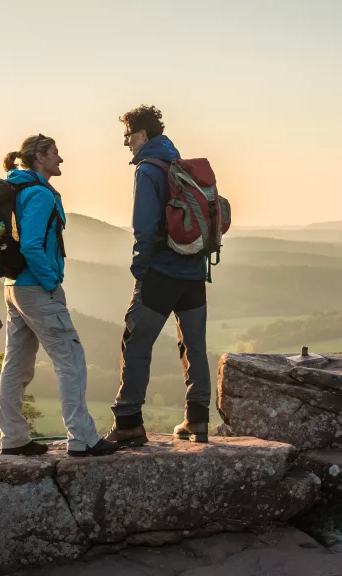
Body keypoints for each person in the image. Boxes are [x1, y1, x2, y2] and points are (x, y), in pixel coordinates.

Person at [0, 134, 119, 457]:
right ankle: (82, 438)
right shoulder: (39, 194)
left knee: (17, 363)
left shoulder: (15, 188)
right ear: (39, 157)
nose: (60, 159)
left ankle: (13, 438)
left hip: (13, 285)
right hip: (37, 287)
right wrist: (51, 282)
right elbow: (32, 245)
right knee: (71, 360)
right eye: (55, 153)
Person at [105, 106, 211, 446]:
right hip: (193, 271)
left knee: (135, 344)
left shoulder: (148, 170)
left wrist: (140, 270)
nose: (126, 144)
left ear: (143, 136)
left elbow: (145, 227)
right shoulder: (179, 166)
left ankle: (129, 422)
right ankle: (198, 421)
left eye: (128, 136)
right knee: (193, 346)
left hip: (160, 274)